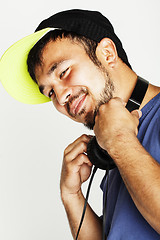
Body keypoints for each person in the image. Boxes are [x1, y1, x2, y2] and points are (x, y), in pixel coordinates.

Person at [0, 9, 160, 240]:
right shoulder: (113, 147)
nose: (61, 97)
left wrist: (119, 141)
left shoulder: (119, 142)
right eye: (51, 92)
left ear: (107, 53)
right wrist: (71, 195)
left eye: (64, 72)